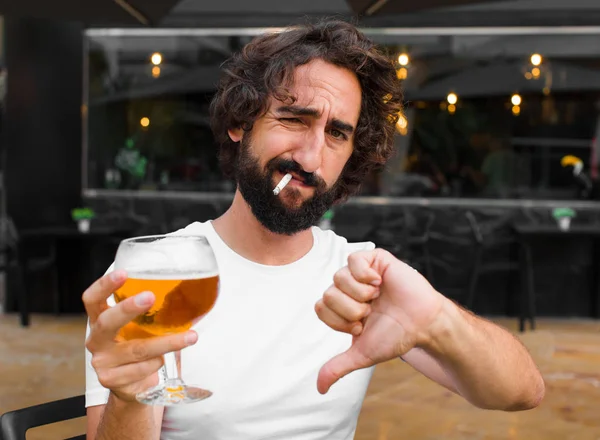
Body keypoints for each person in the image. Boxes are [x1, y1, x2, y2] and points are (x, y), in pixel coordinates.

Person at [84, 19, 545, 440]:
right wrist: (132, 395)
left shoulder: (361, 278)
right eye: (293, 119)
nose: (310, 157)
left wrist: (438, 322)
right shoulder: (154, 274)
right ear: (241, 124)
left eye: (337, 133)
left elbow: (522, 392)